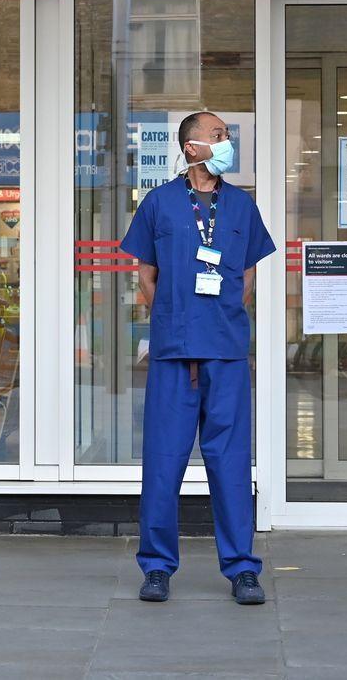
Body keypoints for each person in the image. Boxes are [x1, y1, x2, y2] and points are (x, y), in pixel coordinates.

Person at [120, 112, 276, 606]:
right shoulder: (159, 203)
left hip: (226, 353)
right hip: (173, 353)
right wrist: (175, 317)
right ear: (191, 148)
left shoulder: (242, 206)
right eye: (218, 135)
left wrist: (219, 315)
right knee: (163, 464)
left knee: (230, 462)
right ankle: (158, 567)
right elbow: (146, 278)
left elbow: (247, 276)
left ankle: (242, 569)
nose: (226, 141)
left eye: (226, 135)